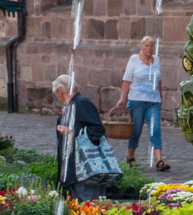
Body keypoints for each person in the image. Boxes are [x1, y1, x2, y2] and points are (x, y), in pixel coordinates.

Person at [113, 36, 168, 171]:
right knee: (136, 130)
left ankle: (159, 161)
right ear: (141, 46)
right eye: (146, 45)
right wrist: (122, 99)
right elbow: (127, 81)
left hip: (153, 102)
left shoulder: (157, 60)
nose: (149, 48)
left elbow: (158, 80)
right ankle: (130, 157)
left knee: (155, 130)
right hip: (136, 100)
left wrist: (160, 96)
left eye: (151, 46)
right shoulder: (134, 59)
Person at [52, 74, 107, 201]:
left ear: (60, 91)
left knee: (89, 206)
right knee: (81, 208)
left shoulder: (82, 103)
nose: (57, 98)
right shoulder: (71, 105)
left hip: (85, 170)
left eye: (56, 94)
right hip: (76, 171)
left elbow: (97, 129)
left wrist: (72, 132)